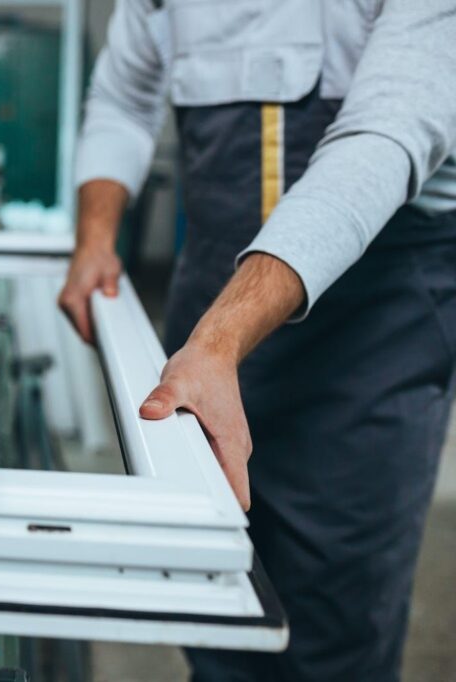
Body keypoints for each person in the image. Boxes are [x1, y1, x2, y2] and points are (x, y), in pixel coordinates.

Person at [57, 1, 456, 679]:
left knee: (333, 616)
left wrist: (220, 337)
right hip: (212, 313)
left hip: (372, 329)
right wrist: (96, 239)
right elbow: (122, 97)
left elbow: (381, 138)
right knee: (212, 586)